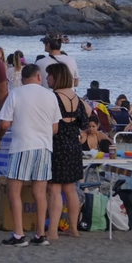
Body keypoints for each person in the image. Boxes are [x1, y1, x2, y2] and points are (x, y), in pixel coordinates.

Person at [0, 63, 60, 246]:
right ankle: (40, 234)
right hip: (44, 147)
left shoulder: (16, 94)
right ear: (39, 77)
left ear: (23, 79)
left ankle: (19, 234)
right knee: (40, 192)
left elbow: (5, 124)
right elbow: (55, 128)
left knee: (14, 191)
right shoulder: (51, 96)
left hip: (22, 146)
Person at [44, 63, 86, 239]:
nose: (47, 79)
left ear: (57, 77)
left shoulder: (53, 97)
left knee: (54, 188)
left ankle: (53, 230)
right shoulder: (76, 97)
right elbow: (84, 122)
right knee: (70, 188)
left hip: (57, 144)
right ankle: (73, 228)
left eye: (49, 76)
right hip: (74, 146)